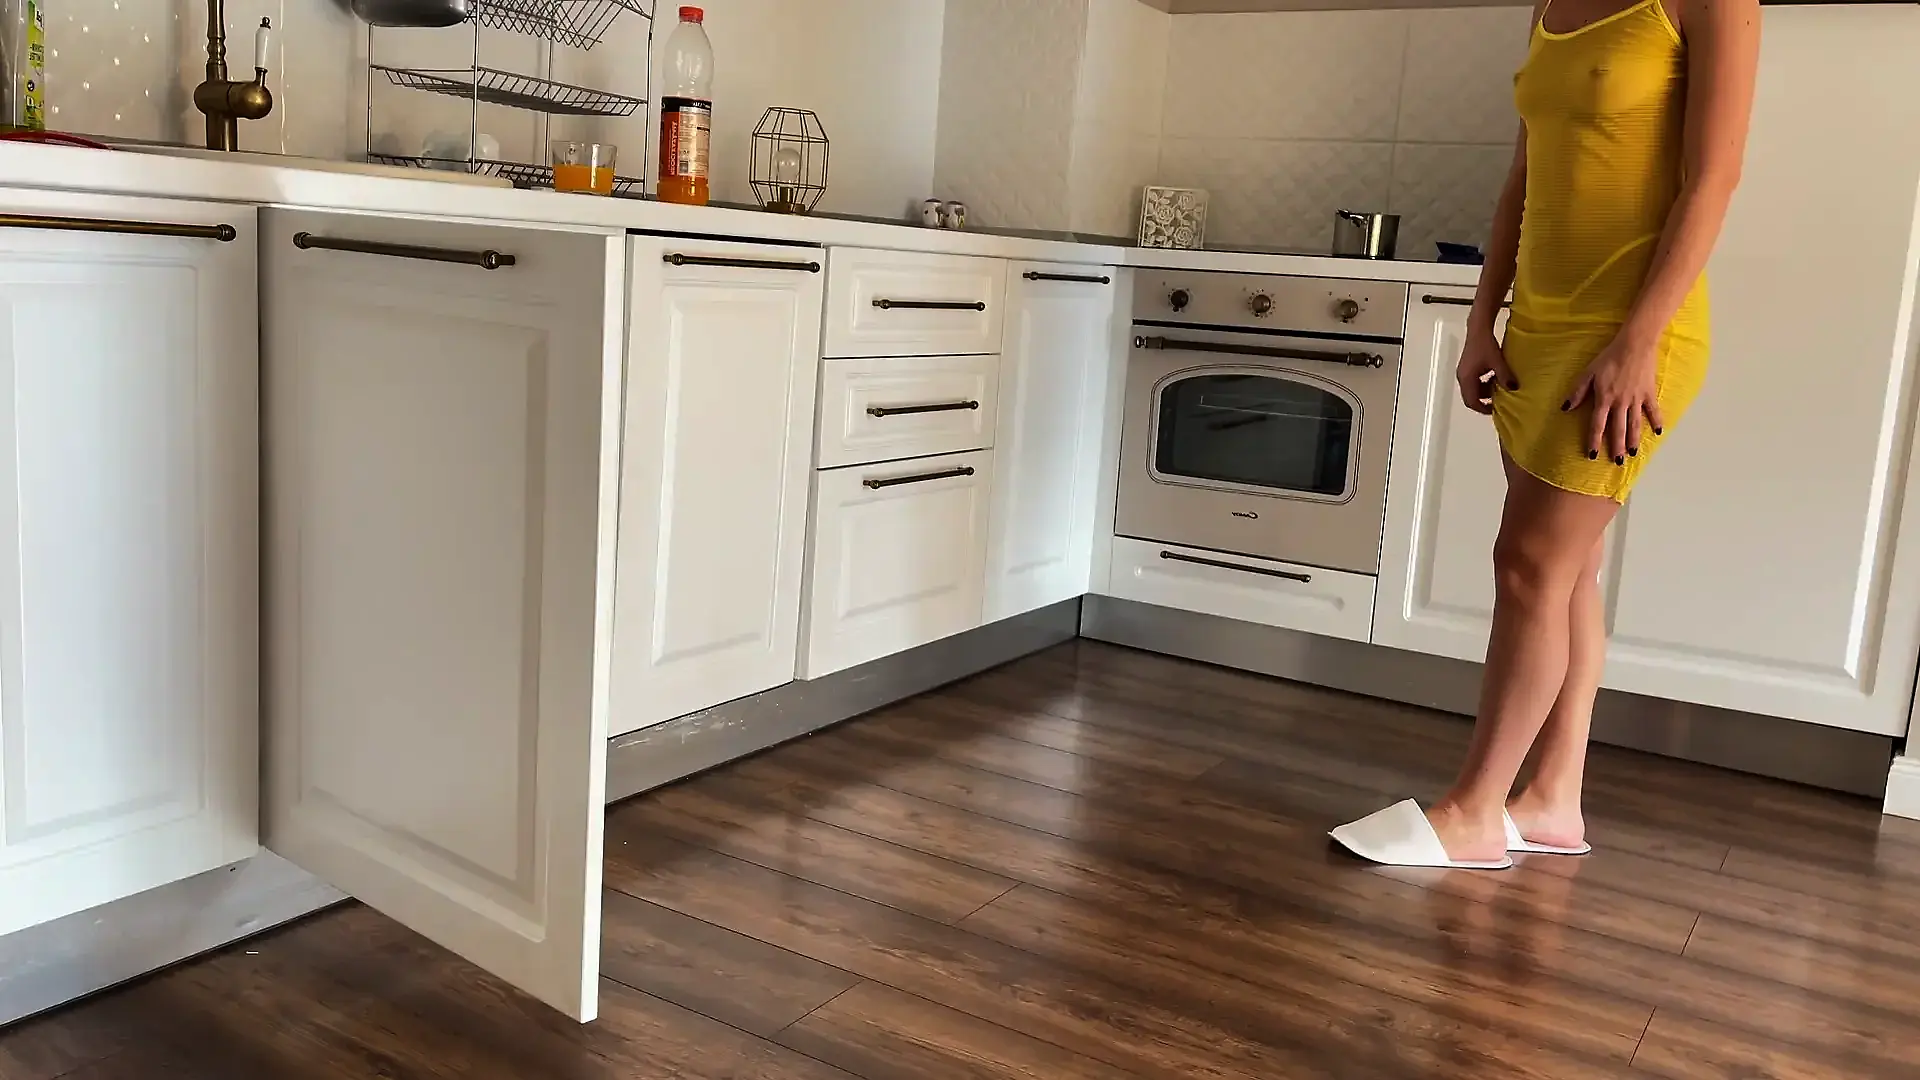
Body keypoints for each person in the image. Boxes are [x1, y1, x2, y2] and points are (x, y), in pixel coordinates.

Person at [1331, 0, 1761, 869]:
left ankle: (1474, 810)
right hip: (1537, 327)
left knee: (1528, 564)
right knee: (1568, 572)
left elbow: (1713, 179)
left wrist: (1638, 343)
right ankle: (1555, 799)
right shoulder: (1550, 5)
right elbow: (1522, 179)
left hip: (1630, 333)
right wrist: (1482, 319)